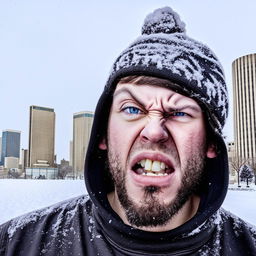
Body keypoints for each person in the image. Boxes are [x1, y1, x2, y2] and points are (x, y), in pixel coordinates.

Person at [0, 6, 256, 256]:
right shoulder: (15, 245)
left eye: (179, 113)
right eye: (132, 109)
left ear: (211, 143)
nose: (154, 131)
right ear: (103, 135)